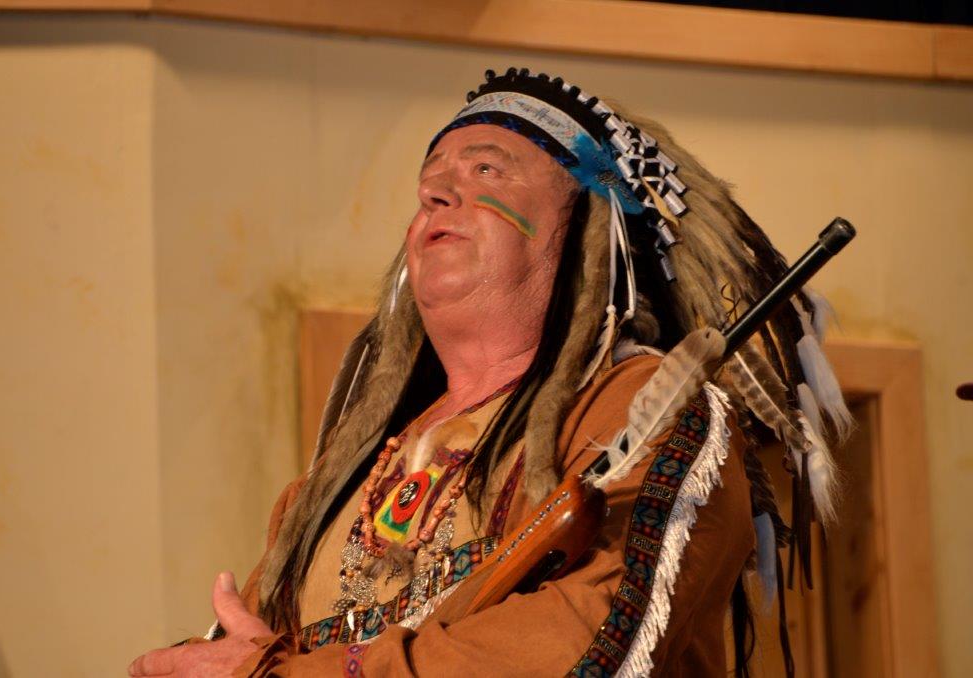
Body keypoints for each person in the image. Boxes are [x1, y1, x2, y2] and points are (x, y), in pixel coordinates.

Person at [129, 67, 850, 677]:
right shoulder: (332, 483)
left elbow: (583, 639)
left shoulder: (644, 411)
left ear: (586, 229)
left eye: (484, 171)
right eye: (429, 185)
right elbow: (246, 656)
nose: (436, 195)